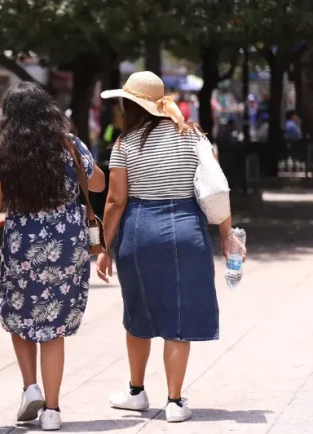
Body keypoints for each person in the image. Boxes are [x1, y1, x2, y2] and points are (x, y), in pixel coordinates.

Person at [97, 71, 244, 423]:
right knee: (179, 315)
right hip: (186, 228)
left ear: (131, 105)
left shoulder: (125, 144)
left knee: (139, 312)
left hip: (140, 229)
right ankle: (175, 401)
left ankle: (136, 391)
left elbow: (116, 201)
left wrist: (104, 247)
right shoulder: (193, 136)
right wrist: (226, 235)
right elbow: (215, 187)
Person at [0, 82, 105, 431]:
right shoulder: (68, 144)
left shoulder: (5, 152)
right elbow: (99, 184)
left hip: (22, 243)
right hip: (66, 243)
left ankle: (30, 385)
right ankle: (52, 410)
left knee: (19, 310)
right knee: (54, 327)